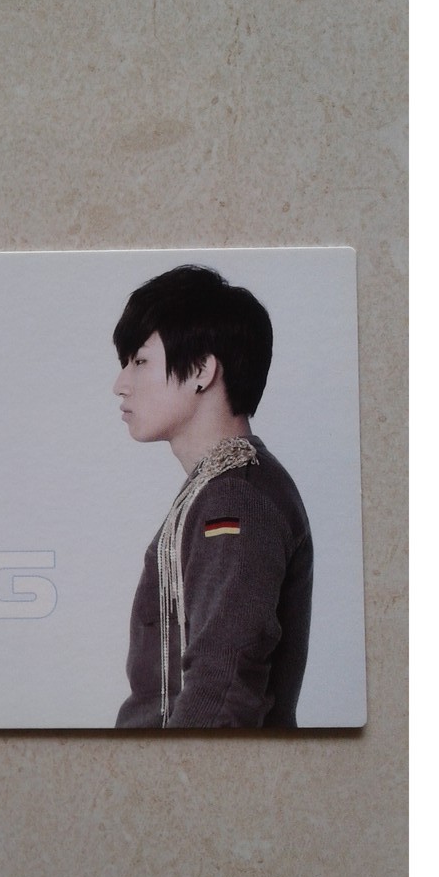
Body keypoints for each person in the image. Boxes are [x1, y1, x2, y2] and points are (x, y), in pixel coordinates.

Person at [112, 265, 313, 728]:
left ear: (202, 370)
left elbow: (221, 692)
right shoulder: (221, 487)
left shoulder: (234, 499)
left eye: (140, 361)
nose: (120, 384)